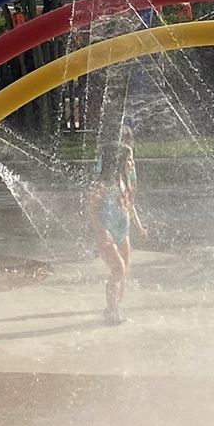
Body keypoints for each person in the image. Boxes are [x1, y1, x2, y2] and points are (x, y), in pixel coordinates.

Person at [95, 135, 145, 323]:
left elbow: (128, 206)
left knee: (123, 272)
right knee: (118, 270)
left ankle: (116, 309)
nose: (132, 163)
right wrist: (101, 232)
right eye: (129, 159)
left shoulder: (125, 182)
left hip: (122, 232)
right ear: (118, 162)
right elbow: (90, 210)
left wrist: (138, 226)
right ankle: (110, 310)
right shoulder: (102, 185)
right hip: (107, 233)